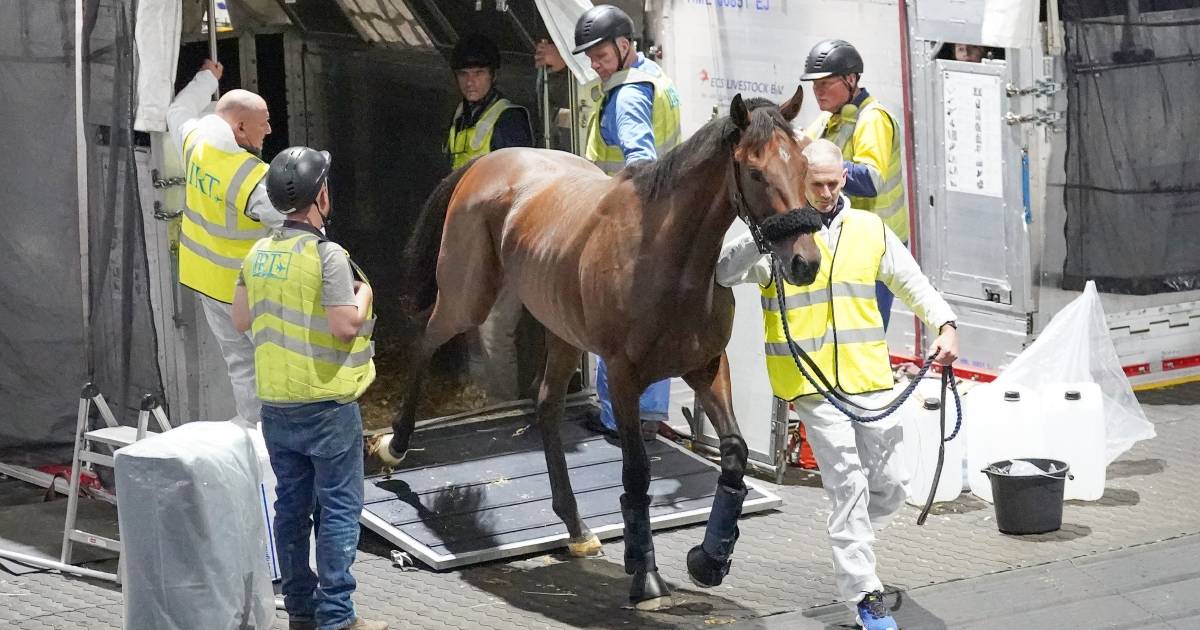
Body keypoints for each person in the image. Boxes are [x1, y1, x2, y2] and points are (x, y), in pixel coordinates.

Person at [716, 139, 959, 630]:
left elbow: (911, 282)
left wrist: (946, 325)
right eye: (816, 184)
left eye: (833, 183)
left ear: (844, 179)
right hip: (811, 383)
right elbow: (723, 273)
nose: (825, 193)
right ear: (801, 182)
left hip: (868, 377)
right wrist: (762, 236)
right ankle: (864, 594)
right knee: (846, 483)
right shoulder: (783, 237)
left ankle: (851, 543)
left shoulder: (869, 230)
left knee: (888, 486)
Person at [232, 147, 386, 630]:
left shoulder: (256, 254)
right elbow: (345, 326)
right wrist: (363, 294)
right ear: (321, 195)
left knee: (292, 510)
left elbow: (241, 319)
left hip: (277, 408)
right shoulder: (328, 256)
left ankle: (300, 611)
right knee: (340, 510)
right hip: (327, 409)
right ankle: (338, 617)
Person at [538, 4, 683, 438]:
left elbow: (639, 164)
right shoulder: (654, 77)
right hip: (663, 222)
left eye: (599, 56)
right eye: (588, 57)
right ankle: (650, 417)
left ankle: (615, 419)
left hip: (628, 224)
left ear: (624, 46)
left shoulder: (629, 96)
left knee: (611, 325)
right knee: (653, 324)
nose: (594, 65)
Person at [167, 59, 286, 426]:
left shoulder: (195, 139)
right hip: (244, 290)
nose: (269, 128)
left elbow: (178, 109)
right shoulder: (252, 177)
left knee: (241, 366)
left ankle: (253, 432)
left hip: (205, 280)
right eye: (262, 122)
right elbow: (296, 225)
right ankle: (279, 444)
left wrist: (207, 77)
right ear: (239, 127)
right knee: (277, 366)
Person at [445, 32, 534, 403]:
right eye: (464, 74)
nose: (470, 81)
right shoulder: (461, 117)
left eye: (478, 73)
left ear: (493, 75)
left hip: (503, 245)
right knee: (472, 324)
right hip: (471, 241)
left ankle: (505, 409)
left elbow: (522, 186)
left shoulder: (508, 118)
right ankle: (481, 401)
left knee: (497, 330)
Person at [799, 39, 907, 330]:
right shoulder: (827, 120)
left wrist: (823, 162)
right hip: (844, 242)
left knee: (866, 333)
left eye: (825, 83)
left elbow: (870, 181)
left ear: (851, 80)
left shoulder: (872, 119)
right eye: (814, 85)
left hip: (878, 245)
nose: (817, 92)